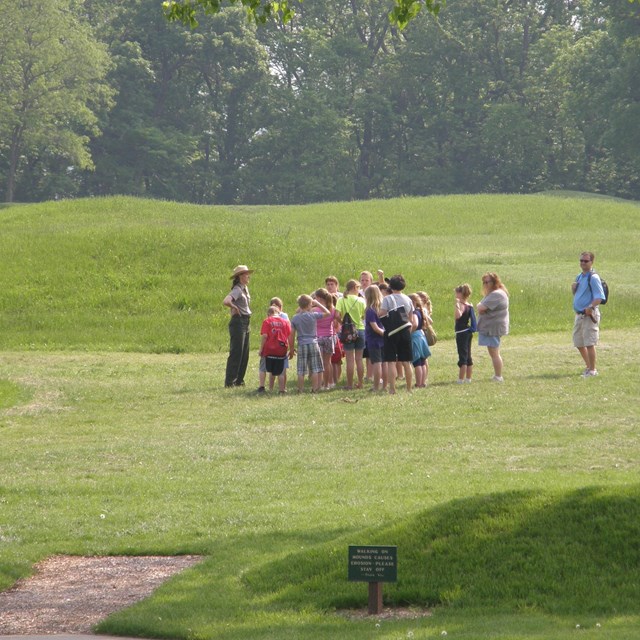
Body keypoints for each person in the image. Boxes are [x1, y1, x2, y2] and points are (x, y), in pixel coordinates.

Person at [379, 275, 416, 394]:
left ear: (391, 286)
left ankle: (392, 389)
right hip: (405, 330)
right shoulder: (408, 299)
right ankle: (409, 388)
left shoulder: (387, 299)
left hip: (391, 331)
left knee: (391, 361)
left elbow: (382, 313)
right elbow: (410, 318)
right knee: (406, 361)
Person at [572, 251, 605, 377]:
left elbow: (599, 297)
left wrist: (590, 307)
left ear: (592, 262)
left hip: (589, 315)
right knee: (578, 342)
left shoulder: (594, 277)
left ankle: (592, 370)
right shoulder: (579, 276)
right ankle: (588, 366)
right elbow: (579, 295)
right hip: (579, 314)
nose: (583, 263)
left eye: (586, 261)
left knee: (589, 343)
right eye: (581, 260)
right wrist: (574, 290)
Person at [289, 294, 330, 392]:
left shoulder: (295, 318)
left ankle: (300, 389)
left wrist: (291, 348)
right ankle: (315, 388)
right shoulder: (313, 315)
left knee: (301, 369)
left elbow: (291, 334)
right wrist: (318, 304)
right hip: (313, 343)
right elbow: (328, 313)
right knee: (315, 368)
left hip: (302, 344)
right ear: (310, 305)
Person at [222, 265, 253, 387]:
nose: (248, 276)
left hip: (246, 321)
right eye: (245, 274)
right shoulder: (238, 289)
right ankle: (230, 381)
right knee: (237, 352)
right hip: (238, 322)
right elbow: (226, 301)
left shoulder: (245, 289)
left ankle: (239, 380)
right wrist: (234, 307)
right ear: (240, 276)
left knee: (245, 353)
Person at [476, 272, 509, 382]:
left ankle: (498, 376)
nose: (485, 284)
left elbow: (481, 307)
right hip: (492, 326)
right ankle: (497, 375)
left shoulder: (497, 294)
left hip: (493, 327)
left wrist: (478, 305)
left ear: (494, 282)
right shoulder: (494, 293)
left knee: (494, 353)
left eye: (487, 282)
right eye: (484, 282)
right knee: (493, 352)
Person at [336, 280, 367, 389]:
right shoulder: (361, 300)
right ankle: (360, 383)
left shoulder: (341, 300)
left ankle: (349, 384)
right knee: (359, 359)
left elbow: (336, 315)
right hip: (360, 329)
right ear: (354, 288)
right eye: (358, 288)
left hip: (347, 331)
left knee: (350, 359)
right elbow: (364, 316)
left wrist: (342, 323)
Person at [258, 305, 291, 394]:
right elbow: (288, 335)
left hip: (268, 349)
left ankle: (261, 386)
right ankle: (281, 390)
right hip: (281, 349)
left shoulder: (267, 321)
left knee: (263, 368)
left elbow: (265, 336)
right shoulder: (285, 322)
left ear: (269, 314)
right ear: (278, 313)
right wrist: (290, 348)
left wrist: (261, 349)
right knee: (280, 371)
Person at [313, 287, 339, 389]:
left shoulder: (315, 309)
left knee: (319, 363)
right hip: (329, 336)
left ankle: (319, 384)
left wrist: (313, 303)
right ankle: (328, 383)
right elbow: (336, 323)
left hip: (318, 337)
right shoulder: (332, 309)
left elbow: (299, 311)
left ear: (318, 298)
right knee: (328, 362)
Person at [364, 285, 387, 392]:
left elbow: (375, 328)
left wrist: (384, 334)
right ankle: (385, 385)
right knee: (385, 362)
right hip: (383, 340)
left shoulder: (370, 310)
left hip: (374, 340)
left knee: (377, 363)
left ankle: (376, 387)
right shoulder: (383, 308)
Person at [454, 283, 475, 384]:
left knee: (462, 355)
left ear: (460, 294)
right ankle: (468, 378)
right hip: (468, 332)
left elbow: (458, 316)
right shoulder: (469, 305)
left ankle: (461, 379)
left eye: (456, 293)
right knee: (468, 355)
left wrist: (457, 305)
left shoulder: (461, 305)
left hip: (461, 333)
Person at [409, 293, 431, 388]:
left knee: (417, 362)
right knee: (422, 361)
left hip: (415, 337)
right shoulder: (420, 311)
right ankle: (422, 382)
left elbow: (414, 324)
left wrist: (409, 332)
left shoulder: (414, 312)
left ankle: (418, 383)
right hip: (421, 336)